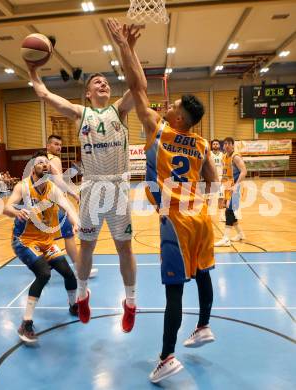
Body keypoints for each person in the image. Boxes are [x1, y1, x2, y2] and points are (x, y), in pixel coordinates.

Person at [107, 18, 218, 383]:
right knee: (202, 272)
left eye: (174, 109)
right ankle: (203, 326)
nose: (168, 108)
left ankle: (167, 356)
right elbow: (213, 181)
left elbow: (137, 88)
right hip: (200, 217)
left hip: (175, 221)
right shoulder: (202, 144)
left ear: (181, 117)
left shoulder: (160, 129)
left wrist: (127, 47)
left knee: (173, 293)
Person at [27, 53, 141, 333]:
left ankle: (131, 303)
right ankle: (82, 294)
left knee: (124, 248)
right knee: (86, 246)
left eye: (105, 82)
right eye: (97, 82)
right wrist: (32, 70)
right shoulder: (81, 114)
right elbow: (43, 93)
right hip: (91, 187)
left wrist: (129, 48)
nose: (103, 84)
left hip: (117, 187)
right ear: (88, 93)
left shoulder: (119, 111)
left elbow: (139, 85)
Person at [4, 151, 80, 343]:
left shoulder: (52, 188)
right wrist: (15, 212)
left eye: (46, 163)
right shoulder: (23, 187)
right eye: (40, 163)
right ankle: (25, 323)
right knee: (44, 273)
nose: (44, 165)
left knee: (68, 274)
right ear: (33, 167)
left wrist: (76, 222)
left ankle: (73, 306)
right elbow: (7, 207)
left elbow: (68, 207)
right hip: (24, 240)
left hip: (46, 242)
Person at [46, 134, 98, 278]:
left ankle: (47, 263)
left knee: (51, 237)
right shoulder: (54, 160)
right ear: (48, 146)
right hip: (55, 204)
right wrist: (73, 195)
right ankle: (80, 268)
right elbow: (59, 182)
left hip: (45, 205)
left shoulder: (41, 160)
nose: (59, 147)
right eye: (55, 144)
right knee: (69, 235)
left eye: (60, 144)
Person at [215, 137, 247, 246]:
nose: (227, 145)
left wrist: (236, 185)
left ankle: (226, 239)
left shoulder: (236, 157)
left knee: (229, 211)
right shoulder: (224, 157)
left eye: (229, 143)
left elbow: (244, 171)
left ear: (233, 145)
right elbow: (225, 174)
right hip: (227, 186)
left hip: (236, 187)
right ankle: (240, 234)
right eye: (225, 144)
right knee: (231, 211)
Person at [211, 139, 225, 221]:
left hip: (220, 178)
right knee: (209, 198)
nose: (215, 145)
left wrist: (225, 176)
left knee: (221, 197)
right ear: (212, 146)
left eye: (217, 144)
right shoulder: (209, 154)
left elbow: (225, 166)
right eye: (214, 144)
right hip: (211, 178)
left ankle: (222, 216)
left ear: (219, 146)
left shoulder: (223, 155)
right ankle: (207, 216)